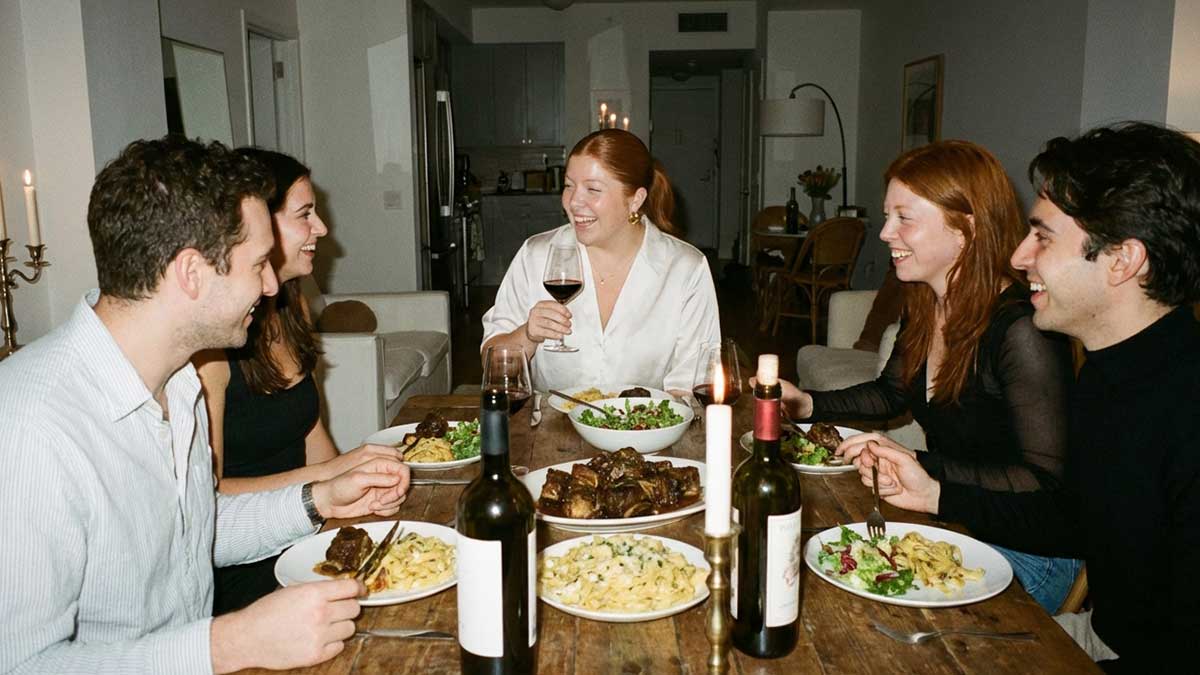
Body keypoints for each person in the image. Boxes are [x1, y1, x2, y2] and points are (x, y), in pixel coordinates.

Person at [0, 136, 412, 673]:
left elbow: (196, 532)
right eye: (258, 264)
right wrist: (230, 643)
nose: (270, 287)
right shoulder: (29, 427)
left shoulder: (179, 384)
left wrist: (320, 498)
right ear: (192, 273)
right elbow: (20, 664)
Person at [852, 122, 1200, 670]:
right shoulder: (1112, 372)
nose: (1017, 256)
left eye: (1042, 236)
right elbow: (1075, 521)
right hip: (1104, 637)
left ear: (1122, 260)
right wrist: (937, 495)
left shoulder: (1184, 406)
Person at [779, 140, 1079, 612]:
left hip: (1030, 553)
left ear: (965, 228)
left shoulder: (1022, 330)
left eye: (904, 218)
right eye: (887, 216)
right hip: (956, 520)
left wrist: (923, 466)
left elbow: (1044, 481)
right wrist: (804, 403)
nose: (884, 233)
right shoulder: (928, 302)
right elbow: (891, 393)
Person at [192, 148, 404, 615]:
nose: (323, 229)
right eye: (305, 214)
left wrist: (358, 488)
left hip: (307, 539)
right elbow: (208, 499)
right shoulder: (210, 347)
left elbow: (310, 433)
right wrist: (330, 482)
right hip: (245, 575)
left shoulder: (292, 304)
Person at [481, 129, 720, 395]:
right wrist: (527, 335)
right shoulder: (535, 255)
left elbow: (693, 384)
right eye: (569, 185)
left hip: (648, 431)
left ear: (636, 200)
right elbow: (492, 370)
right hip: (551, 431)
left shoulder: (685, 268)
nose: (573, 202)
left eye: (593, 189)